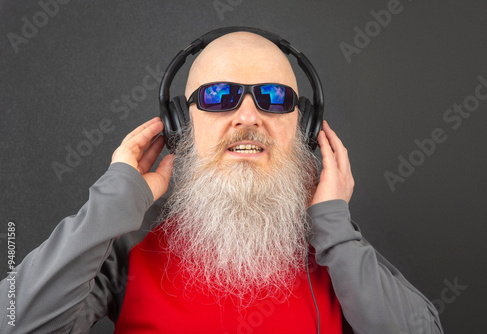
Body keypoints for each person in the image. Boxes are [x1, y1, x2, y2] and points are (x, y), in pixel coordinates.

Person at [0, 31, 443, 333]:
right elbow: (13, 319)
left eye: (274, 97)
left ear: (303, 126)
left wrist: (337, 230)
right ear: (180, 123)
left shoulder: (334, 248)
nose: (248, 116)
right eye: (218, 96)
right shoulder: (129, 249)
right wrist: (111, 203)